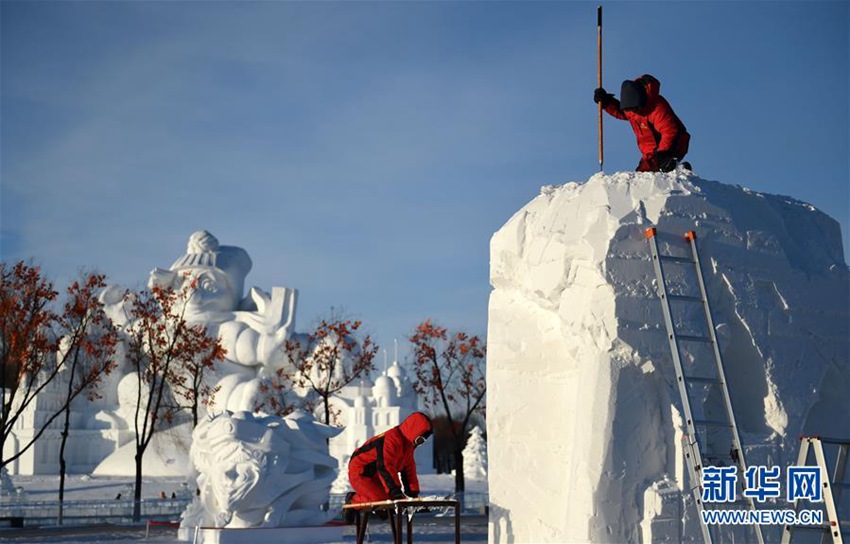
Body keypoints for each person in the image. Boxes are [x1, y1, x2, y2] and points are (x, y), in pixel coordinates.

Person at [344, 412, 433, 522]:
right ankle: (352, 501)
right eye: (420, 439)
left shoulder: (408, 446)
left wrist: (412, 494)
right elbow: (385, 467)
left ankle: (380, 507)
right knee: (380, 500)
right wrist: (396, 492)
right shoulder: (391, 440)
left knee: (388, 503)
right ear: (413, 430)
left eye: (423, 441)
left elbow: (409, 470)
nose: (420, 443)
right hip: (361, 472)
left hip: (378, 476)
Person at [594, 74, 691, 172]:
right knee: (642, 175)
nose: (633, 112)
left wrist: (663, 153)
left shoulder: (657, 107)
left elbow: (669, 131)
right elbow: (622, 113)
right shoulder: (633, 107)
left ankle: (679, 170)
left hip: (673, 143)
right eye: (630, 110)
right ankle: (671, 168)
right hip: (650, 151)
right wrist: (606, 102)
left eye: (635, 109)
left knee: (663, 167)